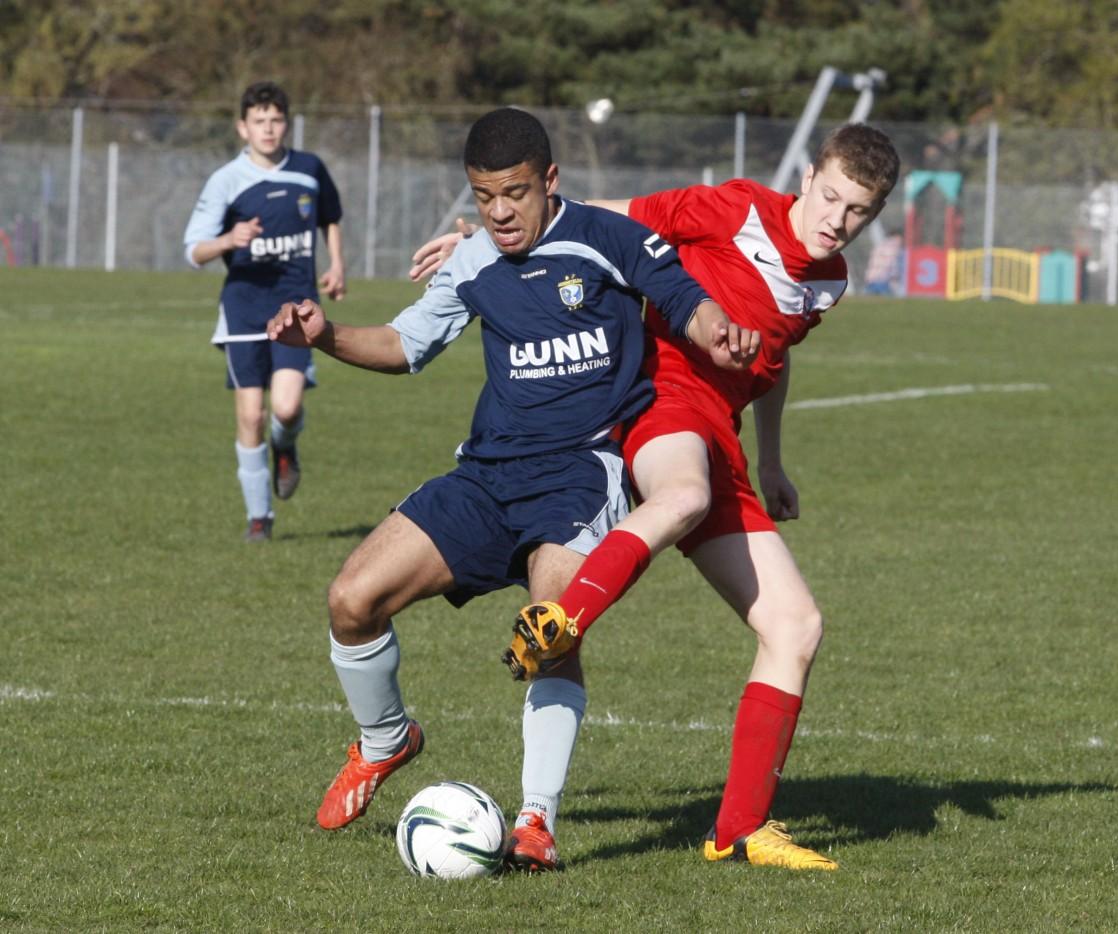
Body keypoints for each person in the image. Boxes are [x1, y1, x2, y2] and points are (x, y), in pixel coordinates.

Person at [266, 107, 757, 871]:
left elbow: (681, 293)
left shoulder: (604, 239)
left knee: (552, 629)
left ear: (550, 181)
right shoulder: (472, 262)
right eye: (485, 195)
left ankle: (536, 820)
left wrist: (718, 329)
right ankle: (387, 739)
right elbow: (404, 345)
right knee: (350, 600)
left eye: (516, 194)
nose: (499, 212)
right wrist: (323, 335)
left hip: (578, 476)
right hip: (487, 475)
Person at [411, 123, 900, 871]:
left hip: (722, 437)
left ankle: (739, 831)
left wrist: (772, 460)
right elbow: (609, 218)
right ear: (808, 177)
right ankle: (559, 619)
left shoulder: (829, 280)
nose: (838, 218)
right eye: (831, 196)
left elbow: (775, 357)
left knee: (796, 625)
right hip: (666, 400)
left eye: (858, 210)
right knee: (681, 495)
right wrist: (487, 245)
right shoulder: (732, 208)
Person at [184, 81, 346, 542]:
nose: (268, 129)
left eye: (275, 120)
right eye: (259, 121)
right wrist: (227, 241)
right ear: (243, 127)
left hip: (294, 310)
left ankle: (286, 447)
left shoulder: (309, 169)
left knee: (288, 407)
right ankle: (260, 518)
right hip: (243, 312)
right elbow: (193, 250)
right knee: (251, 415)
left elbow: (329, 218)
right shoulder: (225, 181)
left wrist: (336, 265)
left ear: (286, 123)